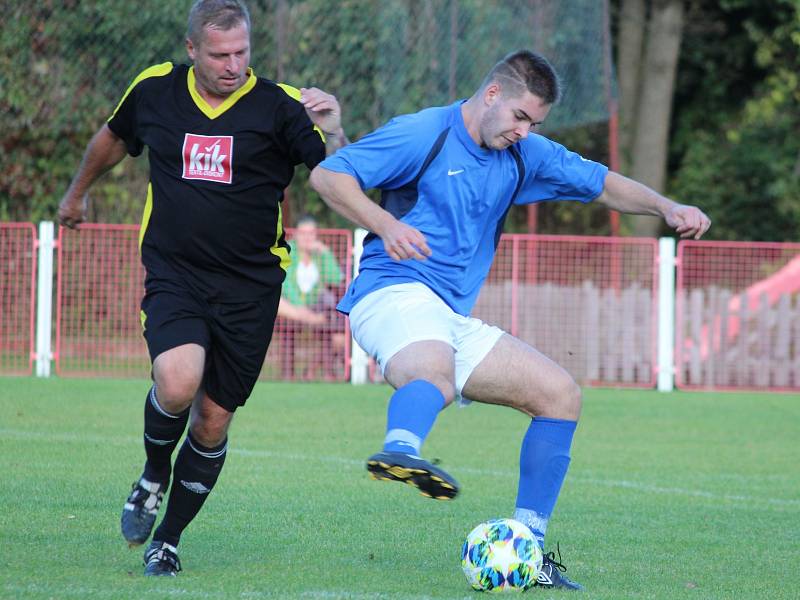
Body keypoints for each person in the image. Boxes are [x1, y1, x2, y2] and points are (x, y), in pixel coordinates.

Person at [309, 49, 710, 590]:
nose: (525, 130)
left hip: (448, 314)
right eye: (521, 117)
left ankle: (529, 546)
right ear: (492, 95)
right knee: (434, 373)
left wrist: (666, 207)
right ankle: (401, 449)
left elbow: (603, 183)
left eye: (535, 123)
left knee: (559, 394)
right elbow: (330, 177)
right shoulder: (423, 131)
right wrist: (386, 225)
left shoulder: (524, 154)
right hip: (392, 292)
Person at [57, 0, 347, 577]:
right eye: (219, 54)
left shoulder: (281, 107)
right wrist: (76, 193)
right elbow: (112, 138)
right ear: (192, 50)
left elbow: (338, 179)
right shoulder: (155, 91)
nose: (233, 64)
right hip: (176, 273)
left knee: (213, 419)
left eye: (242, 52)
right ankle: (151, 473)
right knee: (179, 379)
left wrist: (335, 129)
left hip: (252, 288)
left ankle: (168, 538)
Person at [277, 215, 346, 379]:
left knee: (334, 328)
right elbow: (285, 283)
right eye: (303, 233)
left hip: (316, 307)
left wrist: (326, 253)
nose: (307, 238)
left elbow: (336, 278)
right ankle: (289, 375)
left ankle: (315, 370)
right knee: (289, 325)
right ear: (296, 234)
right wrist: (299, 307)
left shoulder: (320, 255)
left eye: (311, 233)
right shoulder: (288, 251)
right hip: (291, 307)